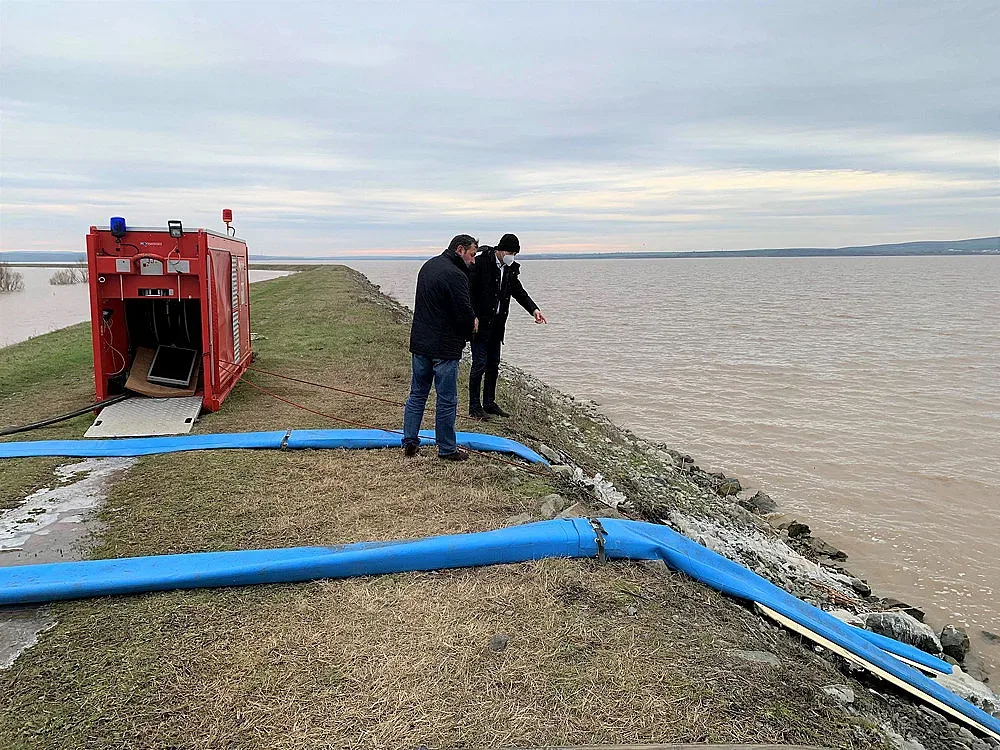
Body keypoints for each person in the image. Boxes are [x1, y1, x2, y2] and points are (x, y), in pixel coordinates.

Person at [402, 234, 479, 460]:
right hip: (445, 348)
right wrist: (473, 325)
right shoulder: (456, 275)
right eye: (472, 255)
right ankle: (447, 449)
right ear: (460, 250)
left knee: (417, 394)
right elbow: (464, 311)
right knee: (446, 400)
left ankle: (409, 441)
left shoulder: (428, 266)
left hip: (420, 343)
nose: (473, 260)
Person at [468, 233, 546, 420]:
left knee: (493, 364)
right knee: (479, 364)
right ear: (501, 250)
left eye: (515, 254)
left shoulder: (510, 269)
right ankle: (474, 407)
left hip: (497, 324)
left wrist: (534, 310)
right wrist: (471, 316)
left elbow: (518, 292)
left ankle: (489, 403)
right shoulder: (481, 263)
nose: (512, 256)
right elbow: (468, 291)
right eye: (511, 253)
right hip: (479, 324)